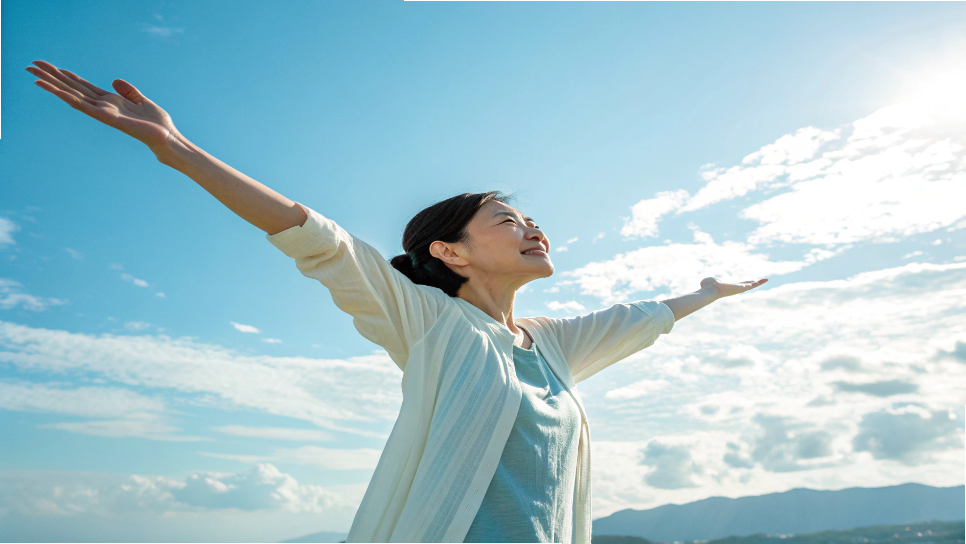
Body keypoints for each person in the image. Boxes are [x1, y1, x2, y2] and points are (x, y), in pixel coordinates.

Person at [26, 60, 768, 544]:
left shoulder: (551, 347)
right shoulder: (432, 324)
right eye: (507, 219)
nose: (532, 227)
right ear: (449, 252)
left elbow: (641, 318)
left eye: (529, 218)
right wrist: (177, 148)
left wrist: (704, 293)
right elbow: (316, 237)